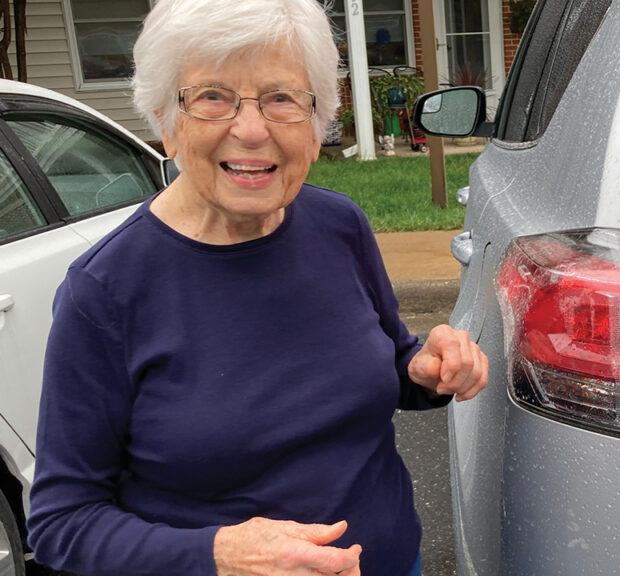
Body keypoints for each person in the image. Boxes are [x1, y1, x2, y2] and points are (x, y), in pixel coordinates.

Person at [26, 1, 488, 575]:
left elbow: (388, 357)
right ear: (166, 121)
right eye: (212, 96)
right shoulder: (105, 291)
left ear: (316, 126)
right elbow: (61, 522)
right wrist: (217, 554)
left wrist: (423, 366)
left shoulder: (339, 225)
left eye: (281, 98)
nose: (251, 129)